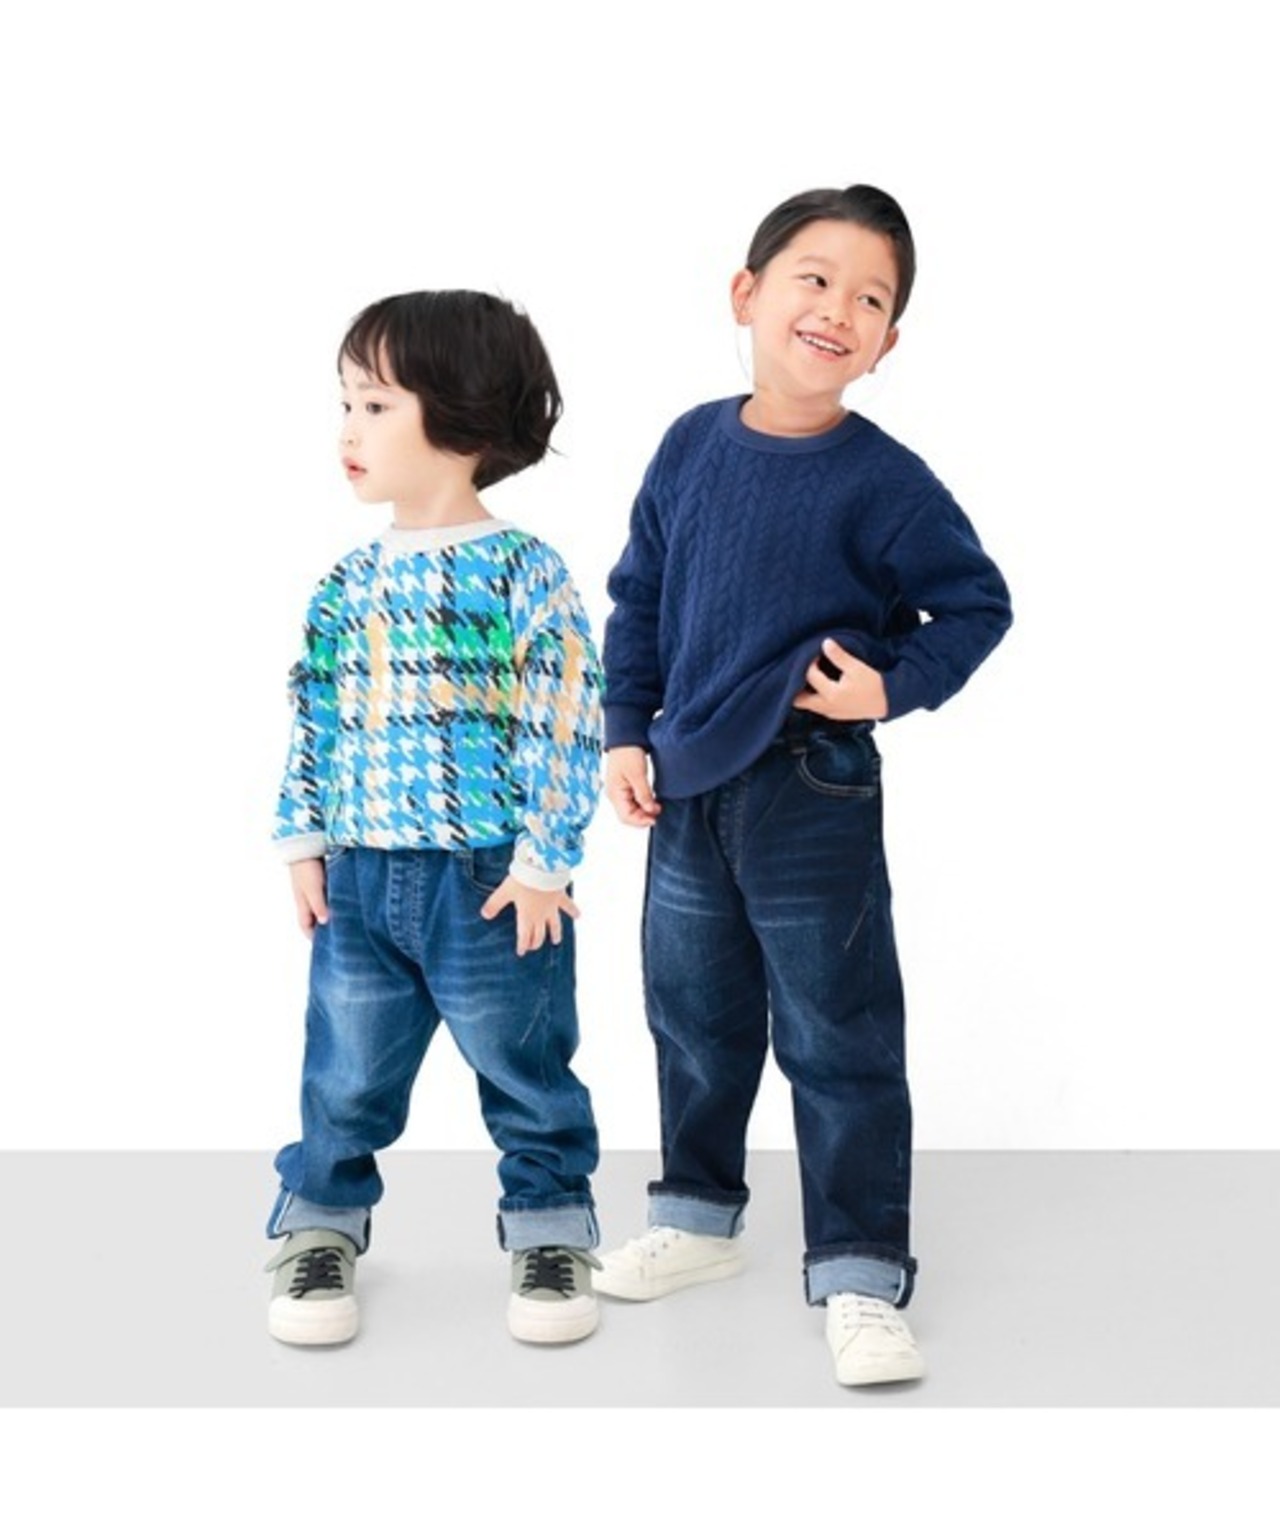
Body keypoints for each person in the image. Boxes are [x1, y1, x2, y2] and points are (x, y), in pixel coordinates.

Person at [597, 185, 1012, 1387]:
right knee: (692, 1015)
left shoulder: (884, 482)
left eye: (869, 299)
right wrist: (624, 734)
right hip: (685, 788)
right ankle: (695, 1217)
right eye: (813, 279)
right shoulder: (688, 444)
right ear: (747, 293)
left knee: (837, 1034)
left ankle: (858, 1271)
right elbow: (639, 600)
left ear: (887, 342)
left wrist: (890, 686)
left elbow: (975, 605)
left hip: (809, 789)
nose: (836, 309)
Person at [265, 290, 604, 1349]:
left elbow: (564, 719)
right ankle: (319, 1225)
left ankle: (549, 1230)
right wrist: (302, 838)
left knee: (525, 1068)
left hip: (490, 882)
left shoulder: (522, 571)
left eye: (375, 406)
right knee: (345, 1071)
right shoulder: (345, 583)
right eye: (345, 404)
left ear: (459, 417)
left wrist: (545, 861)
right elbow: (314, 714)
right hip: (362, 877)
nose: (348, 430)